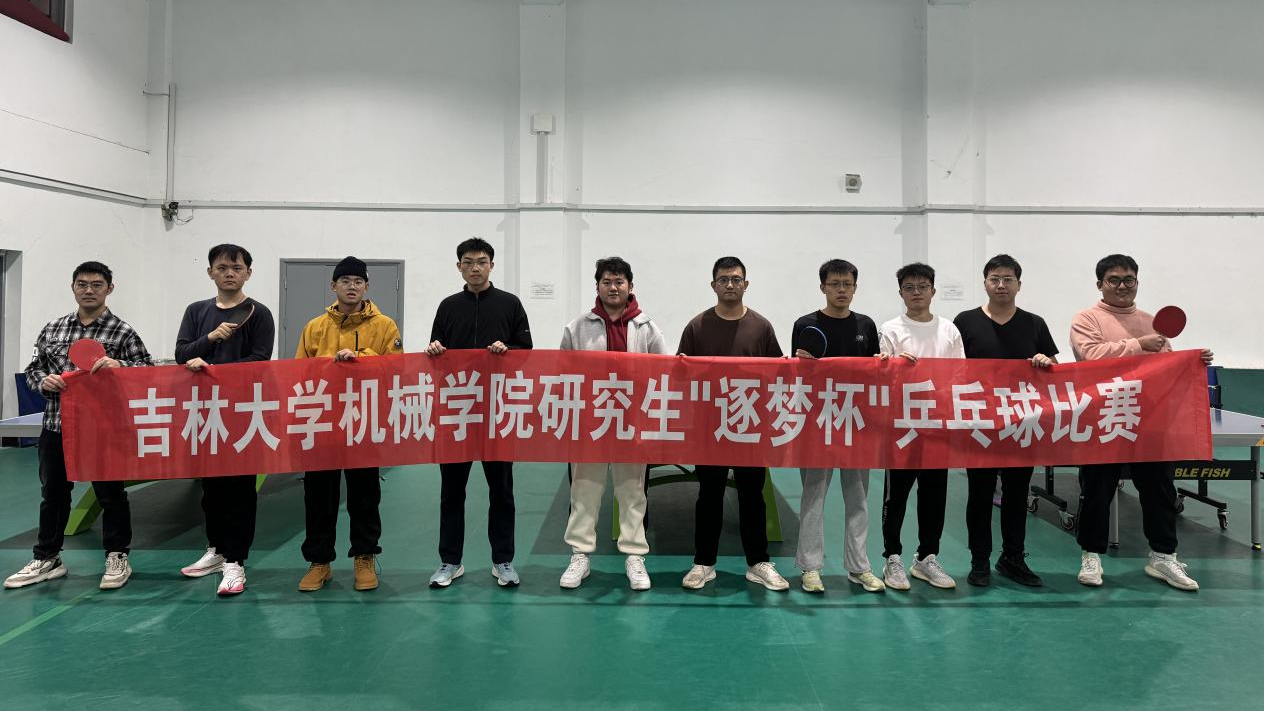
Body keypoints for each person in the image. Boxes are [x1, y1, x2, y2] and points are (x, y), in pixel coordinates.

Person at [5, 261, 154, 591]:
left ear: (109, 289)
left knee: (110, 495)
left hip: (104, 429)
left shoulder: (122, 331)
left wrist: (119, 365)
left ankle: (117, 555)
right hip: (57, 426)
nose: (89, 290)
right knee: (53, 494)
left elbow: (146, 370)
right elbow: (34, 370)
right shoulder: (54, 329)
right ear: (73, 287)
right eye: (82, 284)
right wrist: (44, 381)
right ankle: (48, 558)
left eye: (97, 285)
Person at [1069, 253, 1213, 591]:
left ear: (1137, 282)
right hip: (1104, 419)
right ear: (1100, 284)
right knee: (1097, 490)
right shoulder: (1086, 319)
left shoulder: (1153, 323)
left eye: (1128, 280)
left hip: (1149, 422)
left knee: (1160, 489)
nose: (1122, 286)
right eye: (1114, 280)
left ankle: (1163, 557)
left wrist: (1193, 361)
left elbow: (1166, 370)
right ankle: (1091, 555)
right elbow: (1090, 355)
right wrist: (1138, 344)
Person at [425, 238, 532, 588]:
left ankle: (503, 561)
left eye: (481, 261)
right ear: (459, 267)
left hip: (496, 412)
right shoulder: (448, 306)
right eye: (468, 262)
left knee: (501, 491)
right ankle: (450, 561)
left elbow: (526, 352)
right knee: (451, 491)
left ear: (491, 266)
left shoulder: (510, 304)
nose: (475, 268)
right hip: (457, 412)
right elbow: (435, 351)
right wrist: (435, 349)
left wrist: (508, 349)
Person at [557, 257, 670, 591]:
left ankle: (635, 557)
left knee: (633, 492)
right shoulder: (577, 327)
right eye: (606, 281)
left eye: (619, 281)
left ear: (630, 286)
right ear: (598, 286)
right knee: (584, 491)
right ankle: (579, 555)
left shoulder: (647, 328)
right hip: (591, 424)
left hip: (632, 425)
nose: (613, 287)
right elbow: (562, 373)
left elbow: (664, 373)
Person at [678, 256, 789, 592]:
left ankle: (758, 562)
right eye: (723, 279)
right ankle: (703, 563)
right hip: (710, 427)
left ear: (746, 284)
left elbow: (778, 373)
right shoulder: (696, 327)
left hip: (749, 426)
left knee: (752, 495)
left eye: (736, 279)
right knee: (709, 495)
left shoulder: (761, 327)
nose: (730, 284)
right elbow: (682, 377)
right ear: (713, 285)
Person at [295, 256, 402, 593]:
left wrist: (362, 358)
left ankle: (364, 557)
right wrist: (330, 364)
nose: (351, 286)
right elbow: (299, 372)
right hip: (322, 422)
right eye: (345, 281)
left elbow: (395, 369)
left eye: (358, 281)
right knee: (319, 497)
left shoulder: (385, 326)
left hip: (363, 422)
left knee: (364, 496)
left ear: (367, 287)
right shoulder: (314, 327)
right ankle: (319, 562)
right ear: (333, 286)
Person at [175, 244, 275, 597]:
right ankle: (217, 550)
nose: (229, 273)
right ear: (210, 273)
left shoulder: (259, 314)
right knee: (211, 490)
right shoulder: (196, 311)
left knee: (240, 490)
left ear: (248, 272)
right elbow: (181, 354)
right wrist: (210, 338)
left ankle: (236, 561)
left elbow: (259, 360)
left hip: (244, 413)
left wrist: (214, 368)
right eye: (221, 267)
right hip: (204, 412)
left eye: (236, 267)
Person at [952, 254, 1055, 588]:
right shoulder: (965, 321)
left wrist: (1044, 361)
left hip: (1021, 424)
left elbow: (1053, 365)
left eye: (1008, 279)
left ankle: (1013, 558)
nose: (1001, 285)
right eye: (994, 278)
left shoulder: (1035, 323)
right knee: (980, 495)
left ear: (1019, 284)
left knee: (1016, 495)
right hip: (979, 424)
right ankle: (979, 560)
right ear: (985, 283)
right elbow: (948, 367)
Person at [790, 259, 884, 594]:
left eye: (847, 284)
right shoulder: (805, 324)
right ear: (823, 287)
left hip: (857, 423)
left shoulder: (866, 325)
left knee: (858, 498)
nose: (841, 290)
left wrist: (883, 363)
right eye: (835, 284)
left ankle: (859, 567)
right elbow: (796, 375)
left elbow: (875, 372)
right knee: (813, 496)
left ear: (855, 288)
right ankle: (810, 567)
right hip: (817, 423)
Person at [877, 262, 964, 590]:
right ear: (901, 293)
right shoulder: (890, 329)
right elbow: (880, 376)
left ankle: (927, 557)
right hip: (901, 427)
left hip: (937, 425)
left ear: (933, 291)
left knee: (934, 495)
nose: (916, 293)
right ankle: (892, 557)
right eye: (909, 288)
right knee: (896, 496)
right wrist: (896, 367)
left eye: (922, 287)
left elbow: (960, 375)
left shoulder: (949, 330)